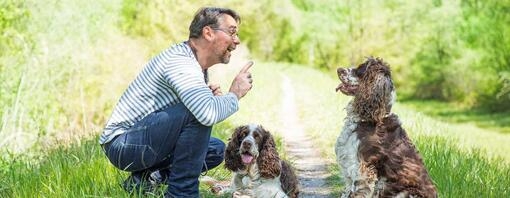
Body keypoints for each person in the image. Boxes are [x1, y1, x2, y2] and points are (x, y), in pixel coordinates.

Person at [99, 7, 253, 197]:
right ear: (208, 33)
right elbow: (205, 114)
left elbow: (194, 114)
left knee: (216, 149)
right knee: (196, 112)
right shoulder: (181, 62)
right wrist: (234, 94)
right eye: (232, 32)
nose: (236, 41)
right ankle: (182, 193)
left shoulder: (194, 64)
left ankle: (147, 179)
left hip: (142, 141)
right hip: (122, 145)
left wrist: (208, 98)